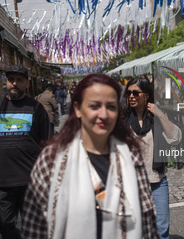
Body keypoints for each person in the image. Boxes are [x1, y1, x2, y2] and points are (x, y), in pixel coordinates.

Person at [21, 74, 159, 239]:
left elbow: (147, 219)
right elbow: (34, 227)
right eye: (94, 106)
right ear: (78, 109)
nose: (103, 114)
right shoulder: (52, 159)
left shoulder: (130, 156)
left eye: (111, 106)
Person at [0, 65, 50, 239]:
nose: (14, 83)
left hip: (31, 181)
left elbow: (46, 144)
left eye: (19, 80)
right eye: (11, 80)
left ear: (27, 84)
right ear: (6, 82)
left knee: (35, 228)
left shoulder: (37, 109)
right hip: (3, 182)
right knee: (1, 223)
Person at [125, 76, 182, 239]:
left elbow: (176, 138)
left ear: (146, 95)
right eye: (129, 93)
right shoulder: (123, 120)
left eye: (136, 93)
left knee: (162, 228)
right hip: (132, 183)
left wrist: (161, 115)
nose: (131, 96)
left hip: (157, 181)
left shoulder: (156, 119)